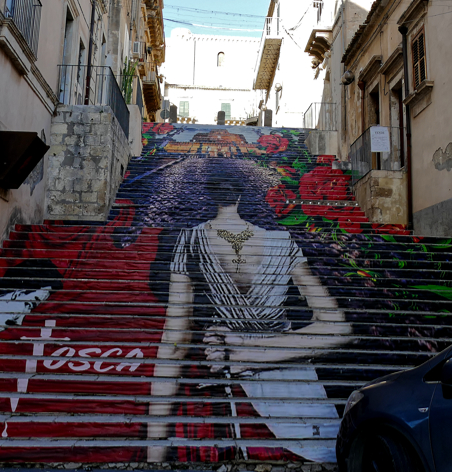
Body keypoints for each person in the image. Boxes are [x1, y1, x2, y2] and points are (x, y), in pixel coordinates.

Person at [145, 158, 352, 463]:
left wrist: (154, 452)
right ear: (243, 195)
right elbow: (338, 328)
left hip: (240, 401)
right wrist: (253, 349)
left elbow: (173, 344)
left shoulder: (189, 241)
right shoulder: (282, 241)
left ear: (209, 196)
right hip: (304, 398)